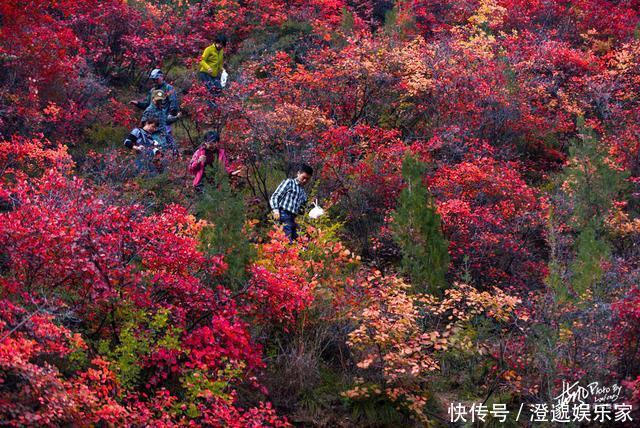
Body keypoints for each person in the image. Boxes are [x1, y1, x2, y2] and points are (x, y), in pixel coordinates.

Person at [269, 163, 313, 242]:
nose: (305, 180)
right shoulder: (289, 182)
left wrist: (315, 209)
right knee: (287, 241)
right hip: (283, 214)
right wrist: (275, 210)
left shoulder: (303, 192)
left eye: (307, 179)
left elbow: (304, 208)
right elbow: (275, 196)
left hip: (293, 218)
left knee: (297, 241)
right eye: (304, 177)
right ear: (298, 173)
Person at [142, 89, 181, 155]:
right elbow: (143, 126)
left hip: (164, 135)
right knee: (159, 156)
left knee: (174, 151)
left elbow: (166, 120)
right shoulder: (149, 111)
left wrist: (176, 117)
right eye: (158, 100)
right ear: (153, 98)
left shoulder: (162, 110)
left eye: (160, 100)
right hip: (155, 137)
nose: (159, 101)